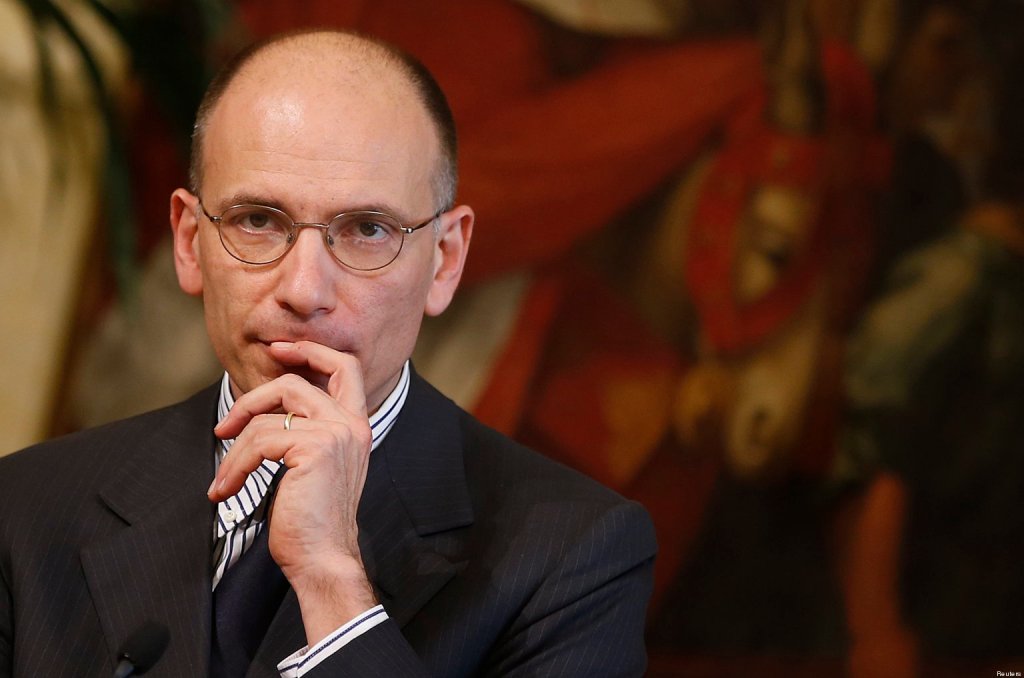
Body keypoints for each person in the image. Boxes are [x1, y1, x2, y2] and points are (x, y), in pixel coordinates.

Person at [0, 29, 656, 677]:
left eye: (367, 230)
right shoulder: (27, 510)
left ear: (445, 262)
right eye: (258, 220)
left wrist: (332, 585)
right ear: (188, 242)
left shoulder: (574, 555)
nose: (305, 290)